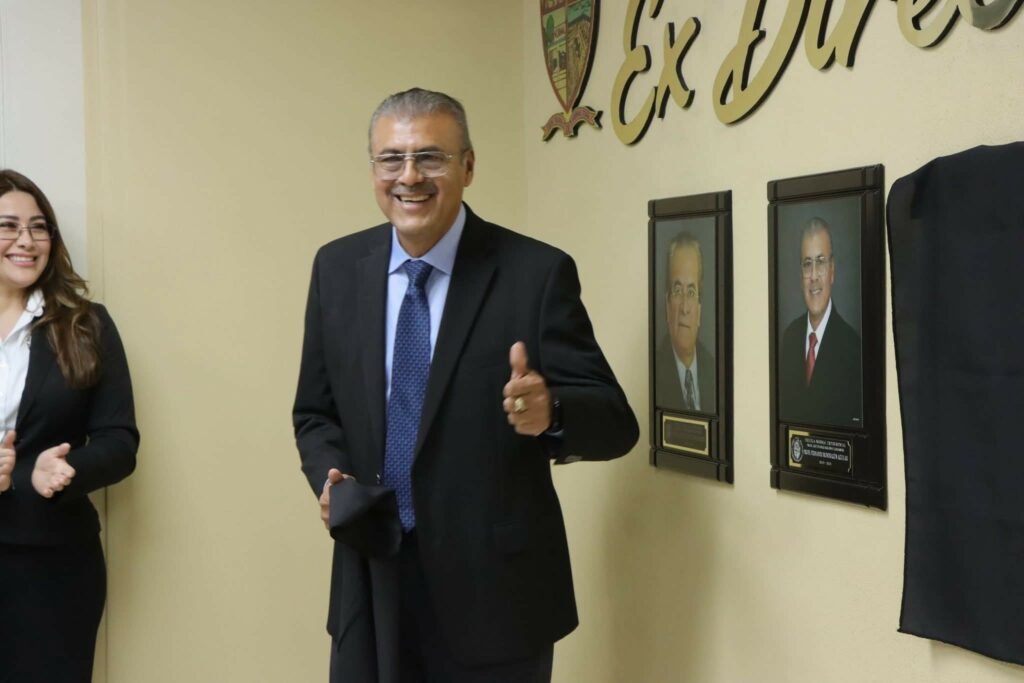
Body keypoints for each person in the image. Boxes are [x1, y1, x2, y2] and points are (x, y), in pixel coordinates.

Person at [293, 88, 638, 683]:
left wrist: (552, 410)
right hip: (369, 583)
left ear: (469, 166)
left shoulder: (536, 273)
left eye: (430, 157)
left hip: (495, 600)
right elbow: (315, 413)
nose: (409, 176)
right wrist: (331, 477)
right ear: (373, 170)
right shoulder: (337, 269)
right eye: (391, 159)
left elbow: (616, 422)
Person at [0, 169, 138, 682]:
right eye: (8, 226)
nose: (26, 240)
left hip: (52, 562)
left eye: (39, 227)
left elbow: (119, 441)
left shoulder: (86, 324)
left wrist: (61, 471)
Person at [778, 217, 861, 426]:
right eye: (807, 264)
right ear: (801, 275)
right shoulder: (788, 339)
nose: (814, 276)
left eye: (821, 262)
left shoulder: (854, 349)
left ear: (832, 271)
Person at [655, 231, 715, 413]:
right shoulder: (654, 372)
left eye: (691, 292)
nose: (684, 308)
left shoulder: (715, 371)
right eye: (677, 290)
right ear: (667, 304)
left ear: (699, 309)